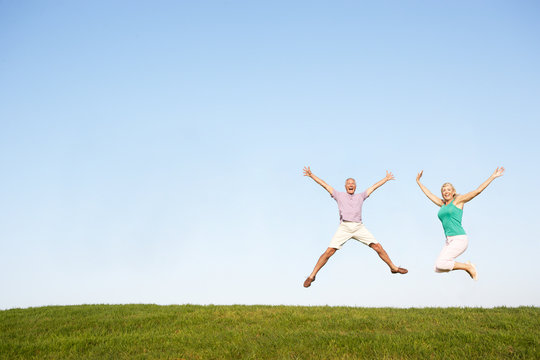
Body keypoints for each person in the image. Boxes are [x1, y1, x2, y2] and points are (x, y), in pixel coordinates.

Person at [302, 166, 408, 288]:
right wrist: (311, 175)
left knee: (378, 247)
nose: (351, 185)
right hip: (344, 227)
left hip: (358, 227)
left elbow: (373, 187)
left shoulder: (361, 196)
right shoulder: (338, 195)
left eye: (353, 183)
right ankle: (312, 276)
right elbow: (325, 185)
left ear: (355, 186)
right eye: (348, 183)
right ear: (345, 186)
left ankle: (393, 268)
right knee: (329, 252)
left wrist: (386, 179)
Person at [416, 167, 505, 280]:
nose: (446, 192)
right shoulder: (442, 204)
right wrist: (419, 182)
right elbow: (429, 195)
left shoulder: (458, 201)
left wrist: (492, 177)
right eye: (444, 190)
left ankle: (467, 267)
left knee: (442, 263)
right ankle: (467, 267)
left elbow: (477, 191)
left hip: (459, 239)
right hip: (449, 240)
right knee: (437, 268)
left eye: (448, 189)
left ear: (453, 192)